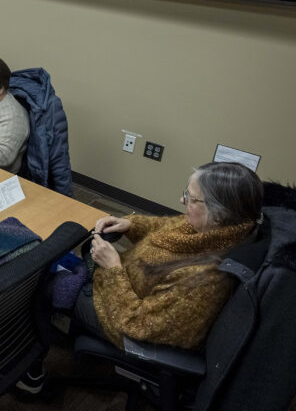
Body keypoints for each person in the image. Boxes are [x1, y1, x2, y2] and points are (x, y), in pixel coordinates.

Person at [16, 161, 263, 394]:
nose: (181, 200)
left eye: (190, 198)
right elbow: (167, 229)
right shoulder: (218, 229)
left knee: (42, 285)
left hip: (124, 318)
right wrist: (130, 224)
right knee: (58, 262)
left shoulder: (206, 282)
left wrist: (113, 269)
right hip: (126, 283)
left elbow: (136, 324)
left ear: (217, 213)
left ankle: (30, 370)